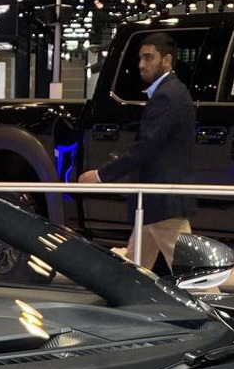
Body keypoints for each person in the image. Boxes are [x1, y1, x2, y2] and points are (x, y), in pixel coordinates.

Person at [77, 32, 195, 273]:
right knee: (134, 266)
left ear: (167, 60)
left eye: (149, 58)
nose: (141, 64)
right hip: (154, 201)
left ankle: (212, 302)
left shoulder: (167, 95)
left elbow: (146, 147)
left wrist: (101, 175)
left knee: (193, 274)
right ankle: (124, 296)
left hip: (162, 200)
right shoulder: (171, 92)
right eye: (141, 58)